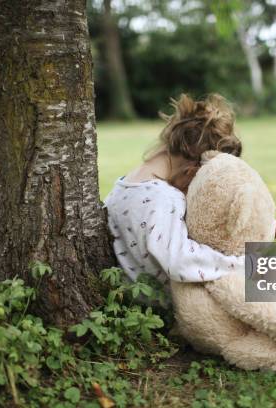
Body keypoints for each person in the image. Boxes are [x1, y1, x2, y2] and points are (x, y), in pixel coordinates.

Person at [103, 94, 244, 284]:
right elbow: (182, 261)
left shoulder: (122, 187)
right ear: (193, 170)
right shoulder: (164, 198)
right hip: (174, 302)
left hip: (139, 291)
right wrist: (247, 265)